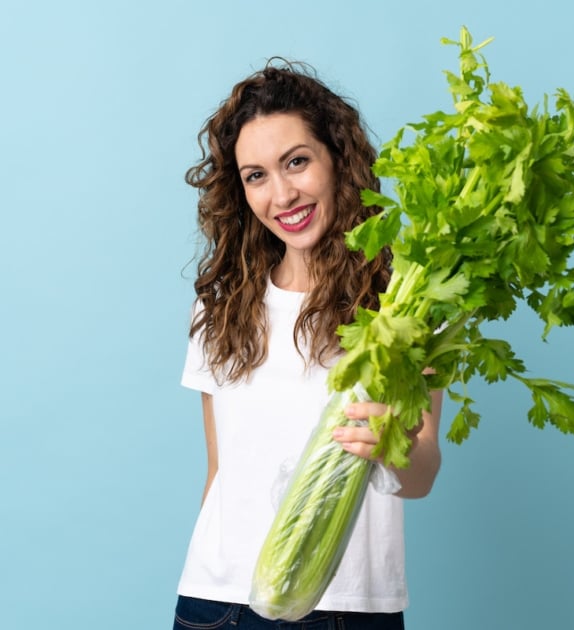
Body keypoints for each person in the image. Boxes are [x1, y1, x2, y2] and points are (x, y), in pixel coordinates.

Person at [173, 60, 443, 630]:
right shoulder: (220, 308)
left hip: (349, 604)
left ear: (338, 160)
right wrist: (212, 584)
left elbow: (421, 475)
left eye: (297, 162)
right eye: (256, 176)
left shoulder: (407, 304)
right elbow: (220, 471)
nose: (282, 193)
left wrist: (390, 443)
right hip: (216, 602)